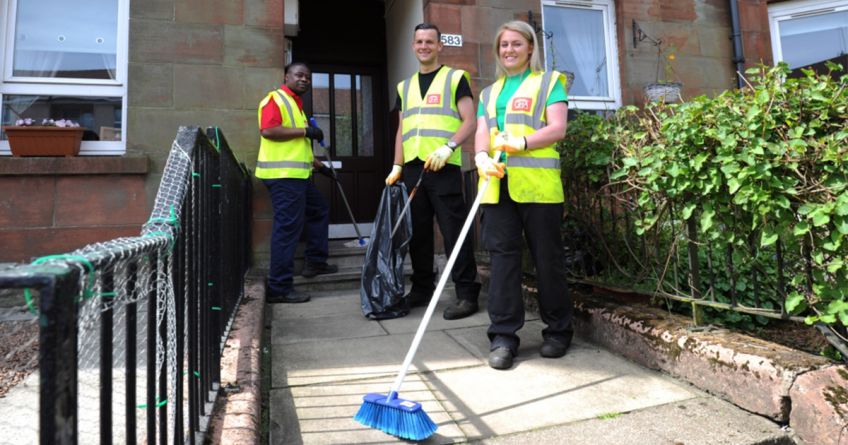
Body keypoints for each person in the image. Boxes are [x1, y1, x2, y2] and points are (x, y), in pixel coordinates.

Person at [474, 20, 572, 370]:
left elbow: (558, 127)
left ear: (530, 48)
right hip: (497, 185)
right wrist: (480, 157)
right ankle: (503, 337)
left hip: (539, 188)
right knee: (502, 262)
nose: (509, 50)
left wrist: (524, 142)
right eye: (504, 45)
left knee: (547, 261)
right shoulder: (489, 92)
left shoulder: (549, 82)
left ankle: (559, 331)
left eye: (516, 44)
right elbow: (483, 133)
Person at [384, 23, 481, 320]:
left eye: (430, 41)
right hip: (413, 168)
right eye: (419, 41)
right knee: (418, 234)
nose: (424, 46)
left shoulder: (455, 79)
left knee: (454, 231)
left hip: (443, 166)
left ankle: (466, 294)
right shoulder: (405, 86)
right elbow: (402, 129)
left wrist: (449, 147)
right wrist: (397, 165)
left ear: (440, 46)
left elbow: (470, 120)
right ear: (413, 46)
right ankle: (423, 288)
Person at [256, 61, 338, 304]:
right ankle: (279, 287)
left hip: (298, 176)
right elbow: (268, 131)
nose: (304, 79)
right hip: (284, 178)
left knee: (319, 208)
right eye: (299, 75)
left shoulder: (296, 106)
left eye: (308, 77)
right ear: (286, 76)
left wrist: (321, 168)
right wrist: (306, 132)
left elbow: (297, 150)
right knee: (287, 229)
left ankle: (315, 262)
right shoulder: (275, 99)